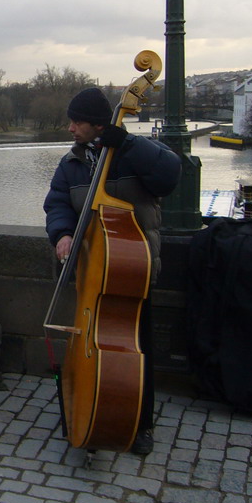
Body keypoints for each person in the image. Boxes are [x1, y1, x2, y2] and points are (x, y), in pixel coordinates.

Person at [43, 87, 180, 455]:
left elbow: (169, 175)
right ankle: (88, 403)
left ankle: (140, 423)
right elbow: (57, 204)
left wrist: (129, 145)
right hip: (92, 268)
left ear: (97, 124)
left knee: (137, 349)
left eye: (76, 122)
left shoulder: (130, 152)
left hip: (131, 267)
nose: (70, 128)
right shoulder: (71, 163)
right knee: (89, 341)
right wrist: (63, 233)